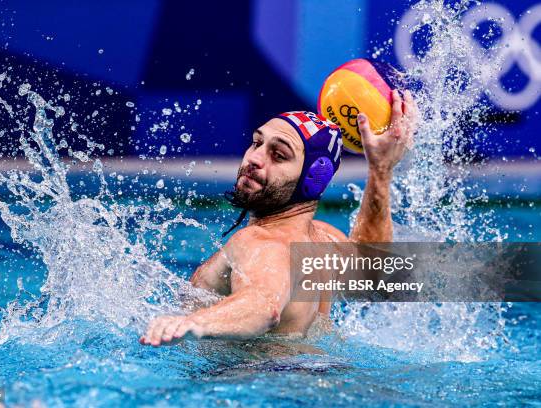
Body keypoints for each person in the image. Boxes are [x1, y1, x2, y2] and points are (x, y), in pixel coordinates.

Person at [140, 90, 418, 347]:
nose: (255, 158)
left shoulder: (262, 241)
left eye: (279, 155)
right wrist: (381, 169)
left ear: (313, 179)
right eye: (257, 143)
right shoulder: (323, 240)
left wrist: (191, 323)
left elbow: (263, 305)